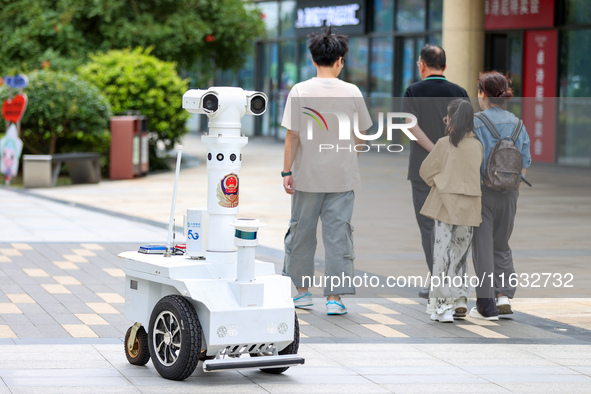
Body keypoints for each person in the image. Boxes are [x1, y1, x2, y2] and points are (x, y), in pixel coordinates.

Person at [280, 28, 372, 315]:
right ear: (340, 60)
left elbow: (292, 136)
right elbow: (361, 134)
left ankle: (302, 293)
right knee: (338, 236)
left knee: (301, 233)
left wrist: (286, 172)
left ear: (312, 58)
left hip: (307, 176)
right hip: (342, 178)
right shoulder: (352, 91)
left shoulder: (300, 90)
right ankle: (335, 298)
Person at [403, 44, 469, 298]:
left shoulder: (413, 90)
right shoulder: (459, 91)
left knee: (428, 225)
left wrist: (433, 149)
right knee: (453, 223)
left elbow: (409, 126)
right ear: (444, 65)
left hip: (423, 171)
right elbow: (465, 126)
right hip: (454, 168)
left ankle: (438, 282)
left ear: (421, 64)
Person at [470, 71, 531, 320]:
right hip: (510, 193)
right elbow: (525, 161)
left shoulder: (476, 121)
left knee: (482, 246)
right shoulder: (518, 123)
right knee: (502, 244)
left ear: (483, 94)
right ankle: (504, 296)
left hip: (483, 191)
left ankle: (486, 306)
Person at [419, 99, 483, 323]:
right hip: (470, 208)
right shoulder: (477, 146)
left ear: (452, 120)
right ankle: (460, 299)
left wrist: (440, 182)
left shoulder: (444, 144)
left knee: (442, 258)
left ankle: (442, 307)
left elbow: (425, 171)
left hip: (446, 207)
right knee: (459, 258)